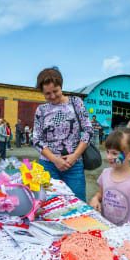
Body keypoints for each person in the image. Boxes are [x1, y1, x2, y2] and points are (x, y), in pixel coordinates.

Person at [33, 67, 93, 201]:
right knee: (48, 205)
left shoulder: (76, 102)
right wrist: (55, 160)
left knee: (77, 205)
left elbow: (88, 130)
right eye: (47, 94)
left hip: (74, 165)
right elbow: (36, 139)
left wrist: (75, 156)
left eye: (55, 91)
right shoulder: (41, 110)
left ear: (61, 86)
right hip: (48, 166)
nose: (53, 96)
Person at [89, 128, 130, 226]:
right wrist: (95, 199)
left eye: (115, 153)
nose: (109, 157)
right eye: (108, 152)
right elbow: (100, 193)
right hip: (104, 229)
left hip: (124, 235)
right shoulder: (105, 173)